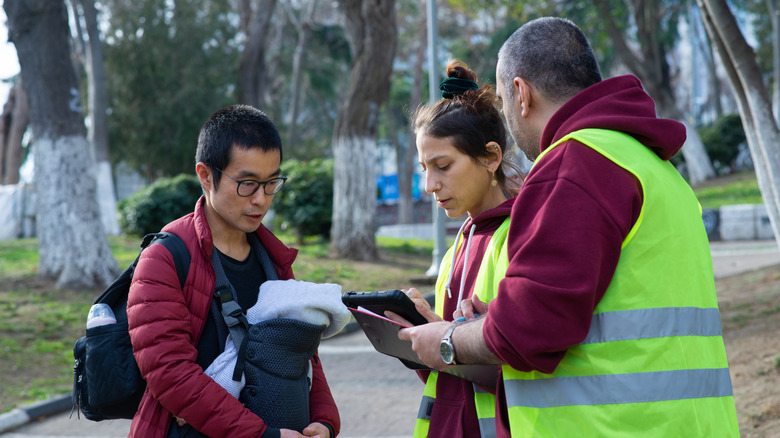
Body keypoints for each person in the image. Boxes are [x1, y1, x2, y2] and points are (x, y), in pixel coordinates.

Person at [398, 17, 740, 437]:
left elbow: (529, 328)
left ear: (521, 94)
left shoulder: (574, 163)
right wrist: (492, 320)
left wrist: (448, 341)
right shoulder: (653, 166)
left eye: (503, 104)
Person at [126, 104, 340, 438]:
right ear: (205, 175)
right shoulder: (164, 258)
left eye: (271, 183)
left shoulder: (274, 259)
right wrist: (262, 435)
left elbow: (303, 353)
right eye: (247, 183)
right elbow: (170, 374)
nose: (261, 200)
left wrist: (325, 420)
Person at [392, 60, 521, 438]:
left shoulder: (521, 237)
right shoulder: (457, 248)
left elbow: (522, 354)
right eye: (423, 168)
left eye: (443, 165)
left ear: (491, 157)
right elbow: (451, 363)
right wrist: (421, 334)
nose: (430, 184)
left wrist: (450, 342)